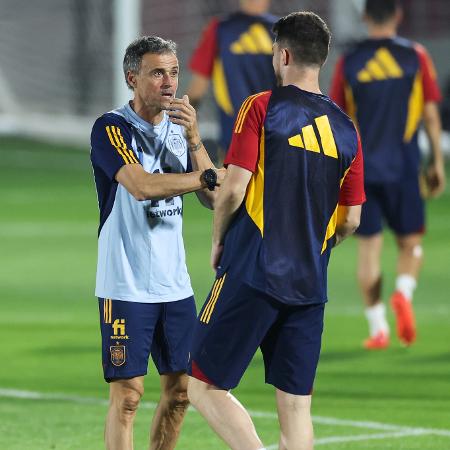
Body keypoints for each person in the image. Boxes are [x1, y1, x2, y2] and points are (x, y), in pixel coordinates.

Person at [187, 12, 366, 450]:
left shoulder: (262, 107)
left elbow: (232, 191)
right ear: (321, 60)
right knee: (296, 409)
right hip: (310, 284)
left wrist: (218, 241)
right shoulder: (347, 131)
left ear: (283, 54)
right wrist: (313, 246)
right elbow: (352, 220)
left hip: (253, 269)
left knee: (203, 386)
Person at [90, 36, 223, 450]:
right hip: (125, 283)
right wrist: (205, 177)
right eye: (157, 73)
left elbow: (215, 199)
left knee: (181, 393)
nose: (169, 82)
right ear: (132, 78)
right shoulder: (111, 128)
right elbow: (143, 187)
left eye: (174, 72)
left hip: (174, 284)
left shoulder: (183, 131)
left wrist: (197, 139)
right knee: (128, 397)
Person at [330, 0, 445, 350]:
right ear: (398, 15)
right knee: (411, 244)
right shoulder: (416, 56)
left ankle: (378, 328)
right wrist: (437, 162)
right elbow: (429, 113)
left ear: (364, 18)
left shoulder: (350, 62)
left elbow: (339, 120)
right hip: (405, 167)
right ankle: (403, 292)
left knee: (369, 251)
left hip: (364, 171)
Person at [187, 0, 277, 161]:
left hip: (237, 135)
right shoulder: (283, 31)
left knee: (233, 184)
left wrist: (177, 123)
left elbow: (198, 87)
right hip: (272, 135)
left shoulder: (220, 29)